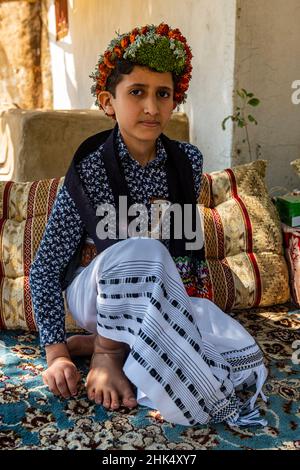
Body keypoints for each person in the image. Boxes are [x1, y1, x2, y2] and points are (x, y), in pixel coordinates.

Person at [30, 23, 268, 427]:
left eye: (163, 94)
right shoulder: (90, 168)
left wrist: (186, 308)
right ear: (109, 101)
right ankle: (106, 351)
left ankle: (119, 349)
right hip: (96, 293)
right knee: (144, 249)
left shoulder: (187, 162)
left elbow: (181, 242)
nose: (151, 108)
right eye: (136, 92)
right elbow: (45, 269)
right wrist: (55, 353)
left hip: (154, 290)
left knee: (232, 346)